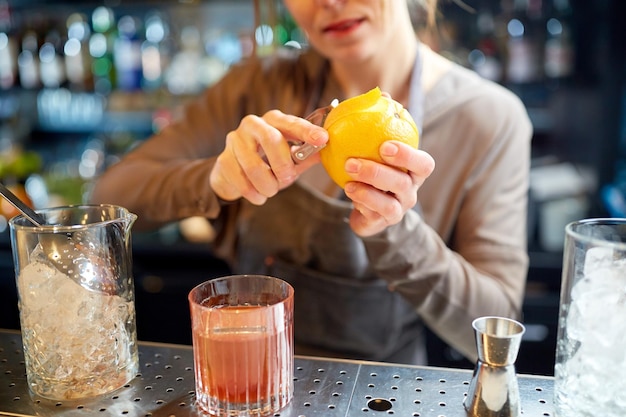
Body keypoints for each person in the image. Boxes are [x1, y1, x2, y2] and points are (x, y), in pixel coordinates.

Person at [90, 0, 532, 365]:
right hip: (246, 382)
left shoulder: (489, 119)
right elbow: (109, 198)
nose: (330, 4)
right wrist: (215, 179)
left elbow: (496, 325)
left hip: (384, 396)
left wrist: (398, 230)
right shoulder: (256, 86)